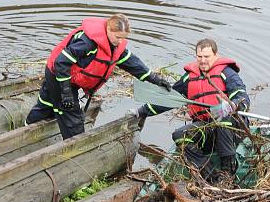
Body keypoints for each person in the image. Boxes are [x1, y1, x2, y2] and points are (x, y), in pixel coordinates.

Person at [26, 14, 171, 139]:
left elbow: (134, 65)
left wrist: (155, 79)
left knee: (45, 106)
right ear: (108, 28)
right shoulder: (87, 42)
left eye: (124, 38)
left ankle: (27, 128)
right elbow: (61, 63)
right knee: (71, 116)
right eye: (118, 37)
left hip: (71, 76)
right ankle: (75, 147)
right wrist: (66, 93)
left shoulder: (114, 46)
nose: (121, 41)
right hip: (58, 74)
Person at [137, 38, 250, 179]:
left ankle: (227, 171)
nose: (203, 61)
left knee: (222, 116)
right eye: (199, 57)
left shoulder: (227, 73)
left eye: (207, 57)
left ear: (216, 55)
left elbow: (242, 96)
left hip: (233, 130)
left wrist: (232, 105)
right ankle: (210, 176)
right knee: (179, 136)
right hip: (208, 128)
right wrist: (143, 111)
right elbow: (170, 99)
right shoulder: (190, 78)